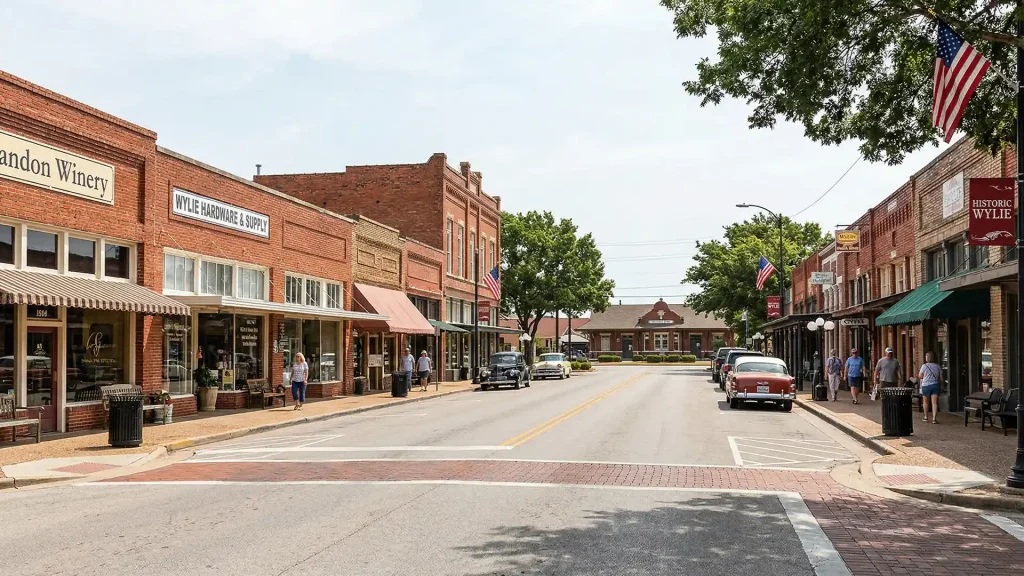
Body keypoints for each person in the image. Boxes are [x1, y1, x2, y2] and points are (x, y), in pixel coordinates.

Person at [918, 351, 942, 424]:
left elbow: (920, 376)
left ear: (927, 358)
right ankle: (934, 419)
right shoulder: (938, 366)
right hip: (935, 385)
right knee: (934, 402)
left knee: (925, 402)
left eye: (926, 356)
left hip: (926, 386)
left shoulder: (924, 366)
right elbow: (941, 378)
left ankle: (926, 417)